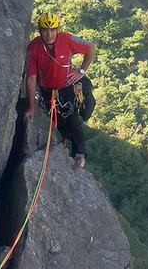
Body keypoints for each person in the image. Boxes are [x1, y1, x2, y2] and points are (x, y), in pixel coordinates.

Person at [24, 12, 96, 167]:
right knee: (56, 120)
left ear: (58, 29)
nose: (49, 34)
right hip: (47, 90)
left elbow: (91, 47)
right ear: (39, 30)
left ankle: (79, 154)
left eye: (52, 30)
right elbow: (31, 78)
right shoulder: (34, 48)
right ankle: (66, 136)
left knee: (72, 120)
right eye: (45, 30)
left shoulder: (67, 39)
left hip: (67, 86)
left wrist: (81, 72)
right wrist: (30, 106)